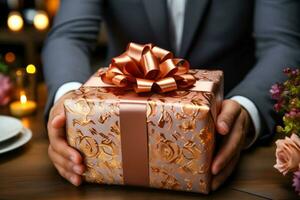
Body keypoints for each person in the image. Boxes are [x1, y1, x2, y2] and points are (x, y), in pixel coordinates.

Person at [42, 0, 300, 190]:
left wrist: (247, 108)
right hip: (113, 147)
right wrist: (68, 102)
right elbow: (68, 36)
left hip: (227, 145)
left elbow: (282, 44)